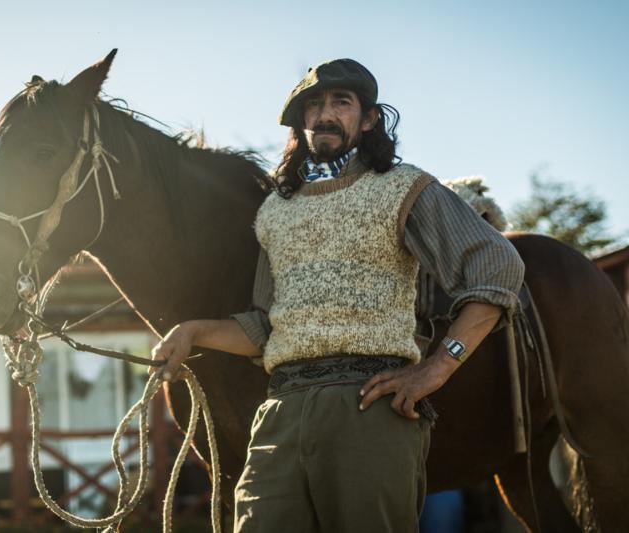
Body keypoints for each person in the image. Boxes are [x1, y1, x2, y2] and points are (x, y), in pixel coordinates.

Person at [151, 58, 525, 532]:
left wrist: (438, 367)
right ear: (301, 121)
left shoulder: (404, 187)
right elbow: (267, 326)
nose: (325, 113)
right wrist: (192, 331)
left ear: (368, 119)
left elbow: (497, 265)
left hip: (367, 407)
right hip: (281, 413)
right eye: (314, 104)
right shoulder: (275, 211)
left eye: (341, 102)